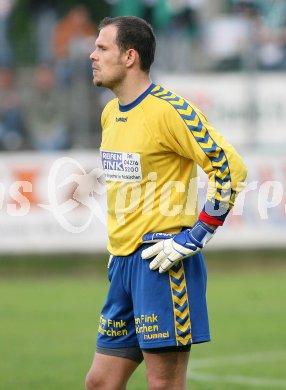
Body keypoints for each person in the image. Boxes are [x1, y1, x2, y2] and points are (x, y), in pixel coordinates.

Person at [87, 16, 247, 390]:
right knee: (100, 382)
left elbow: (231, 169)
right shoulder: (111, 113)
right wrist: (120, 247)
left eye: (101, 47)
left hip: (163, 264)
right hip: (124, 264)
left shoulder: (170, 110)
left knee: (164, 384)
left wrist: (197, 235)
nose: (91, 55)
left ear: (129, 57)